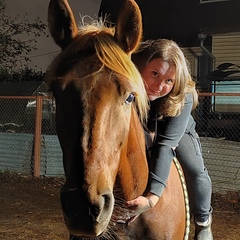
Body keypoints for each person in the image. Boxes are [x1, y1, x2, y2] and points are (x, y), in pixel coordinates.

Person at [122, 39, 213, 240]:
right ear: (141, 66)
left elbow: (165, 145)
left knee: (194, 168)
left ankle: (203, 222)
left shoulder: (184, 94)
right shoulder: (126, 82)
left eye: (169, 81)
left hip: (174, 129)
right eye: (155, 74)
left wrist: (152, 198)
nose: (159, 86)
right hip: (143, 123)